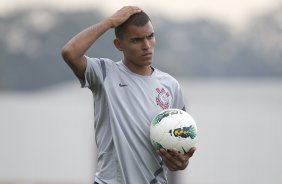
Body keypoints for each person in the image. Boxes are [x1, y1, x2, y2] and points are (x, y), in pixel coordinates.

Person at [61, 6, 196, 184]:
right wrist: (109, 22)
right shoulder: (104, 73)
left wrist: (182, 162)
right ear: (119, 45)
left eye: (150, 36)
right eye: (136, 40)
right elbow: (70, 52)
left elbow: (180, 141)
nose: (146, 46)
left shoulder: (170, 85)